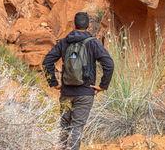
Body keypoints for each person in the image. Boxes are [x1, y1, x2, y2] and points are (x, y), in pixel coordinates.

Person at [43, 12, 114, 150]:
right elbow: (109, 65)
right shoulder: (93, 43)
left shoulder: (64, 42)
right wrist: (102, 86)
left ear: (74, 25)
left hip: (66, 93)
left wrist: (53, 82)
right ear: (88, 26)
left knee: (64, 126)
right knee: (77, 127)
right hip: (85, 93)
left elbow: (47, 62)